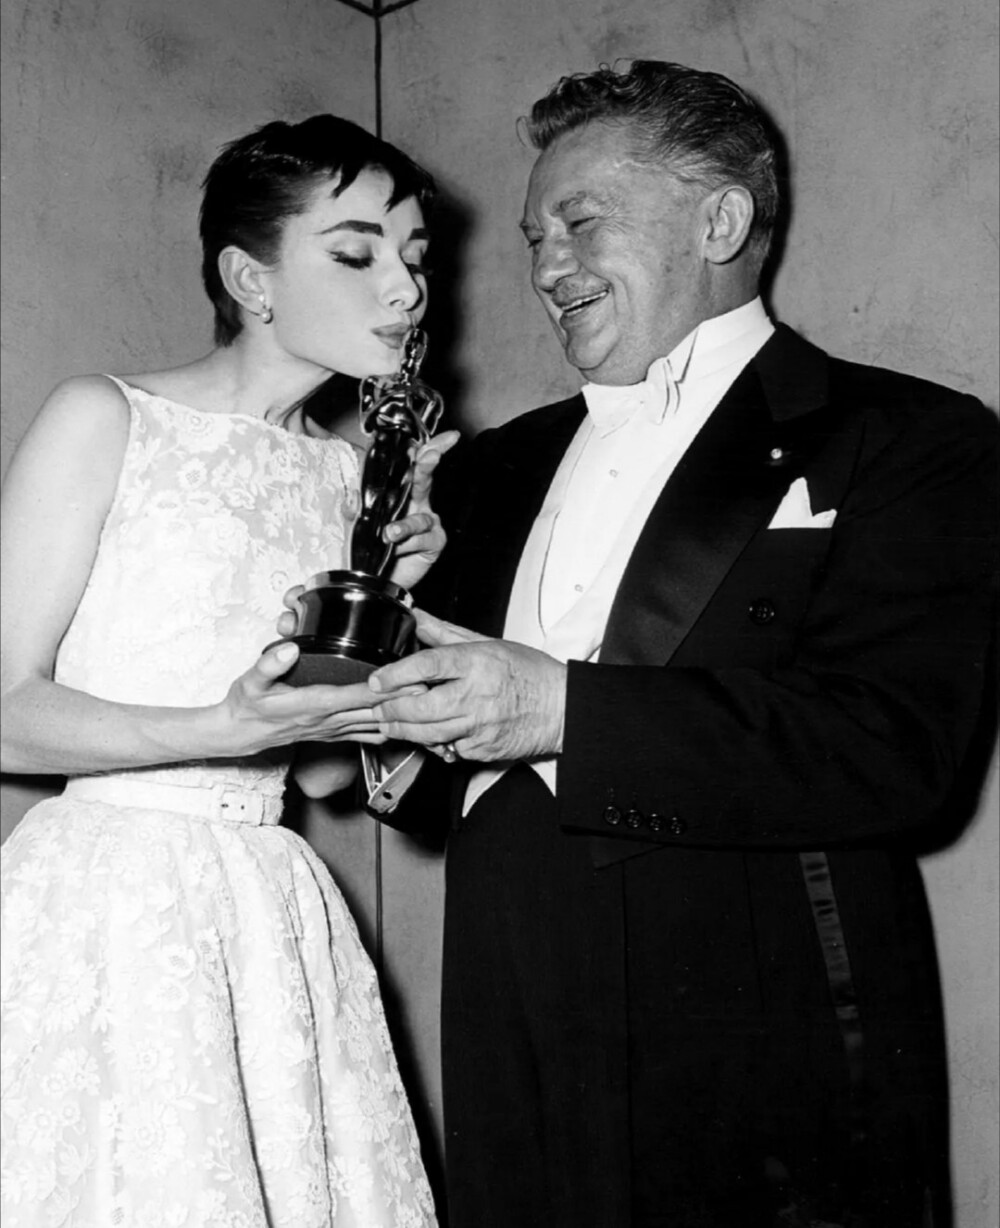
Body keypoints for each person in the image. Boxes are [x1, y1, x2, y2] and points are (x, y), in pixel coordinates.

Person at [364, 62, 998, 1227]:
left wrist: (562, 710)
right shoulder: (492, 469)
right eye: (532, 234)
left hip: (762, 1010)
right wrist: (377, 693)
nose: (546, 264)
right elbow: (418, 795)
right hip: (508, 990)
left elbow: (901, 752)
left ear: (721, 220)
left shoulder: (910, 437)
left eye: (582, 221)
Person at [0, 114, 457, 1226]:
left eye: (413, 255)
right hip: (109, 892)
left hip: (268, 901)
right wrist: (223, 725)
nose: (403, 288)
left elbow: (322, 783)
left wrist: (384, 627)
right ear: (249, 277)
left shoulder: (350, 476)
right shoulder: (106, 416)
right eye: (355, 253)